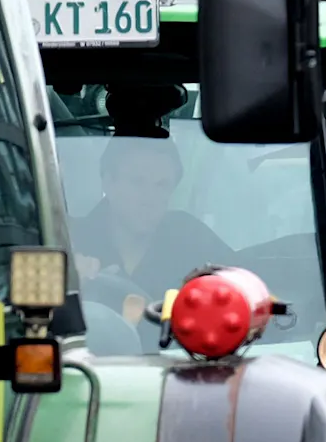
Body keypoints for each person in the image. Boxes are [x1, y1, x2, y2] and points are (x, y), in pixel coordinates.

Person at [71, 133, 232, 319]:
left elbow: (244, 281)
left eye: (162, 185)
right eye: (137, 182)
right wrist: (70, 284)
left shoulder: (191, 238)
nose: (150, 198)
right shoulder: (70, 242)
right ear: (108, 183)